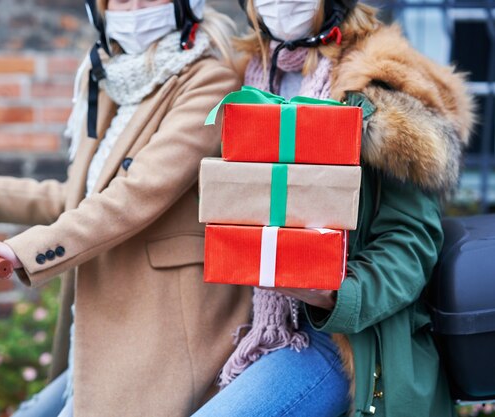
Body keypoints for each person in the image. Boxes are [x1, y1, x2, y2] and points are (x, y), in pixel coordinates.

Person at [0, 0, 252, 415]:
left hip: (160, 328)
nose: (136, 5)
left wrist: (21, 249)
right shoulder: (110, 81)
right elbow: (78, 198)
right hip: (100, 323)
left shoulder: (212, 82)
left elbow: (136, 194)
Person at [192, 0, 474, 416]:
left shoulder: (379, 85)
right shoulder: (246, 76)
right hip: (257, 323)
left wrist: (336, 294)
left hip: (343, 338)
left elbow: (411, 243)